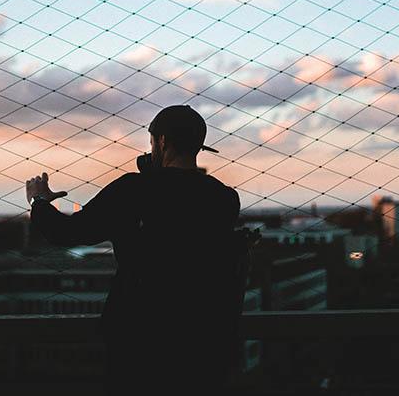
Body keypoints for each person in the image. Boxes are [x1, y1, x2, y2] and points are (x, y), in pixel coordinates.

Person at [27, 105, 242, 395]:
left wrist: (39, 203)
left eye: (152, 141)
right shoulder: (224, 199)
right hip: (203, 336)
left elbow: (68, 233)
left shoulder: (133, 190)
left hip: (138, 335)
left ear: (162, 141)